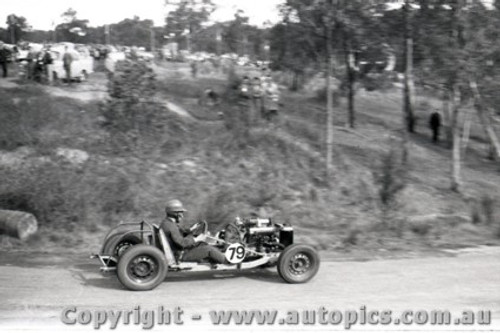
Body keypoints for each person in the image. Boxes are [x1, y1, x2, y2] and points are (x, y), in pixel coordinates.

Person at [160, 199, 229, 265]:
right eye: (181, 212)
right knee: (209, 249)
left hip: (178, 252)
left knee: (202, 244)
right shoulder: (170, 226)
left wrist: (191, 230)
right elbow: (182, 243)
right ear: (175, 213)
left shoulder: (167, 223)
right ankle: (228, 262)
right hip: (180, 255)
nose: (182, 215)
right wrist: (196, 239)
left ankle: (216, 260)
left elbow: (179, 233)